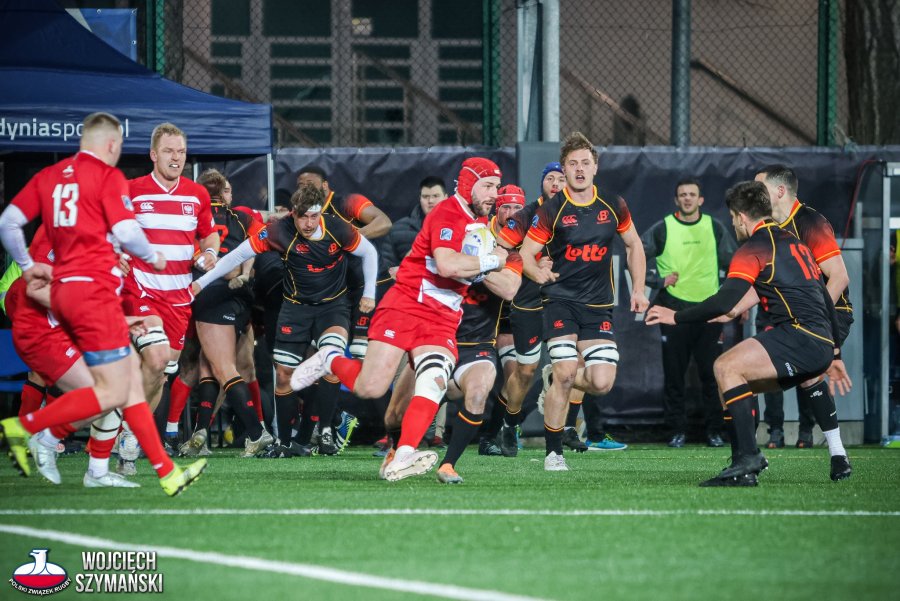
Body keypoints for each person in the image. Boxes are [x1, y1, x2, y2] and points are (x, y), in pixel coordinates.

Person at [0, 112, 206, 496]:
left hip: (69, 311)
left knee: (122, 388)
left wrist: (119, 311)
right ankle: (32, 432)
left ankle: (137, 470)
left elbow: (9, 223)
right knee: (111, 394)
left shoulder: (58, 184)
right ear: (112, 146)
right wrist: (150, 255)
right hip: (49, 319)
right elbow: (120, 238)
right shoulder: (101, 189)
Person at [290, 157, 508, 482]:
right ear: (467, 184)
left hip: (444, 316)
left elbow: (495, 275)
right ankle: (331, 359)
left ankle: (404, 453)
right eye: (487, 186)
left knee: (434, 380)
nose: (494, 193)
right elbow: (447, 265)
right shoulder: (448, 212)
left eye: (496, 186)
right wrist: (493, 259)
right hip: (406, 303)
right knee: (370, 388)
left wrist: (509, 262)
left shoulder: (480, 222)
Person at [646, 180, 852, 486]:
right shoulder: (792, 242)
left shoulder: (755, 246)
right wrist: (834, 352)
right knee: (731, 382)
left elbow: (725, 300)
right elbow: (823, 296)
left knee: (724, 366)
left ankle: (747, 459)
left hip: (798, 336)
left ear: (742, 217)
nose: (732, 223)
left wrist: (676, 316)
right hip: (819, 341)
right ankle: (743, 466)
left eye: (732, 217)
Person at [192, 182, 379, 457]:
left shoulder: (337, 227)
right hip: (295, 308)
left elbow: (369, 253)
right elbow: (237, 254)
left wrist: (370, 293)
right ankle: (284, 442)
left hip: (333, 306)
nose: (308, 222)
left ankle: (325, 430)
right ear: (293, 213)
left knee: (330, 358)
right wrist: (201, 284)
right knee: (283, 376)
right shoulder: (279, 230)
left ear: (320, 213)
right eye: (302, 216)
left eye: (313, 216)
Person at [520, 132, 648, 471]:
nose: (579, 169)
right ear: (564, 168)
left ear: (596, 167)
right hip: (560, 301)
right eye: (573, 164)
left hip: (598, 305)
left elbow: (634, 245)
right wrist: (538, 274)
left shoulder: (613, 204)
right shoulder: (552, 209)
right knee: (565, 373)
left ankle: (555, 378)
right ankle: (553, 452)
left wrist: (638, 289)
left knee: (602, 383)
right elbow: (526, 254)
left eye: (585, 163)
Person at [117, 122, 220, 475]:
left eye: (181, 152)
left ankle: (125, 426)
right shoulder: (131, 191)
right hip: (141, 289)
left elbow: (210, 237)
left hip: (179, 297)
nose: (176, 158)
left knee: (161, 373)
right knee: (158, 358)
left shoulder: (197, 195)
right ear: (153, 154)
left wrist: (209, 254)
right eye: (169, 151)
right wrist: (114, 255)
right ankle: (130, 436)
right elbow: (110, 234)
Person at [752, 165, 853, 453]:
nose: (755, 194)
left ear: (780, 191)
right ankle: (751, 450)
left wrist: (813, 317)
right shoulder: (767, 228)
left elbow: (840, 276)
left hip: (828, 314)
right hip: (783, 316)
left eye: (761, 188)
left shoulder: (810, 222)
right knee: (747, 373)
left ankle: (826, 445)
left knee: (807, 375)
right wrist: (726, 307)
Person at [179, 169, 272, 457]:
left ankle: (257, 434)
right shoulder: (242, 218)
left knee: (220, 369)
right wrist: (245, 273)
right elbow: (258, 242)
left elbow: (215, 263)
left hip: (212, 297)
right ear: (224, 194)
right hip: (243, 300)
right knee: (221, 366)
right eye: (229, 190)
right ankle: (201, 434)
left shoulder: (193, 221)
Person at [641, 178, 737, 448]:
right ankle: (676, 431)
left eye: (692, 194)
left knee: (712, 375)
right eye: (682, 194)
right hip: (672, 311)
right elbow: (635, 253)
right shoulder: (663, 228)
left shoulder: (715, 228)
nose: (687, 199)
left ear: (701, 200)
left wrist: (733, 303)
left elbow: (736, 265)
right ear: (676, 200)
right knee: (674, 377)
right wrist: (656, 281)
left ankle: (715, 431)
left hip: (709, 314)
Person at [295, 165, 391, 362]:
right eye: (300, 186)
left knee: (362, 351)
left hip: (371, 286)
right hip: (339, 292)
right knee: (320, 348)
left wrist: (350, 239)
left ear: (325, 185)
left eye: (309, 184)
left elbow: (384, 222)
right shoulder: (305, 217)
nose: (305, 190)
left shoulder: (346, 202)